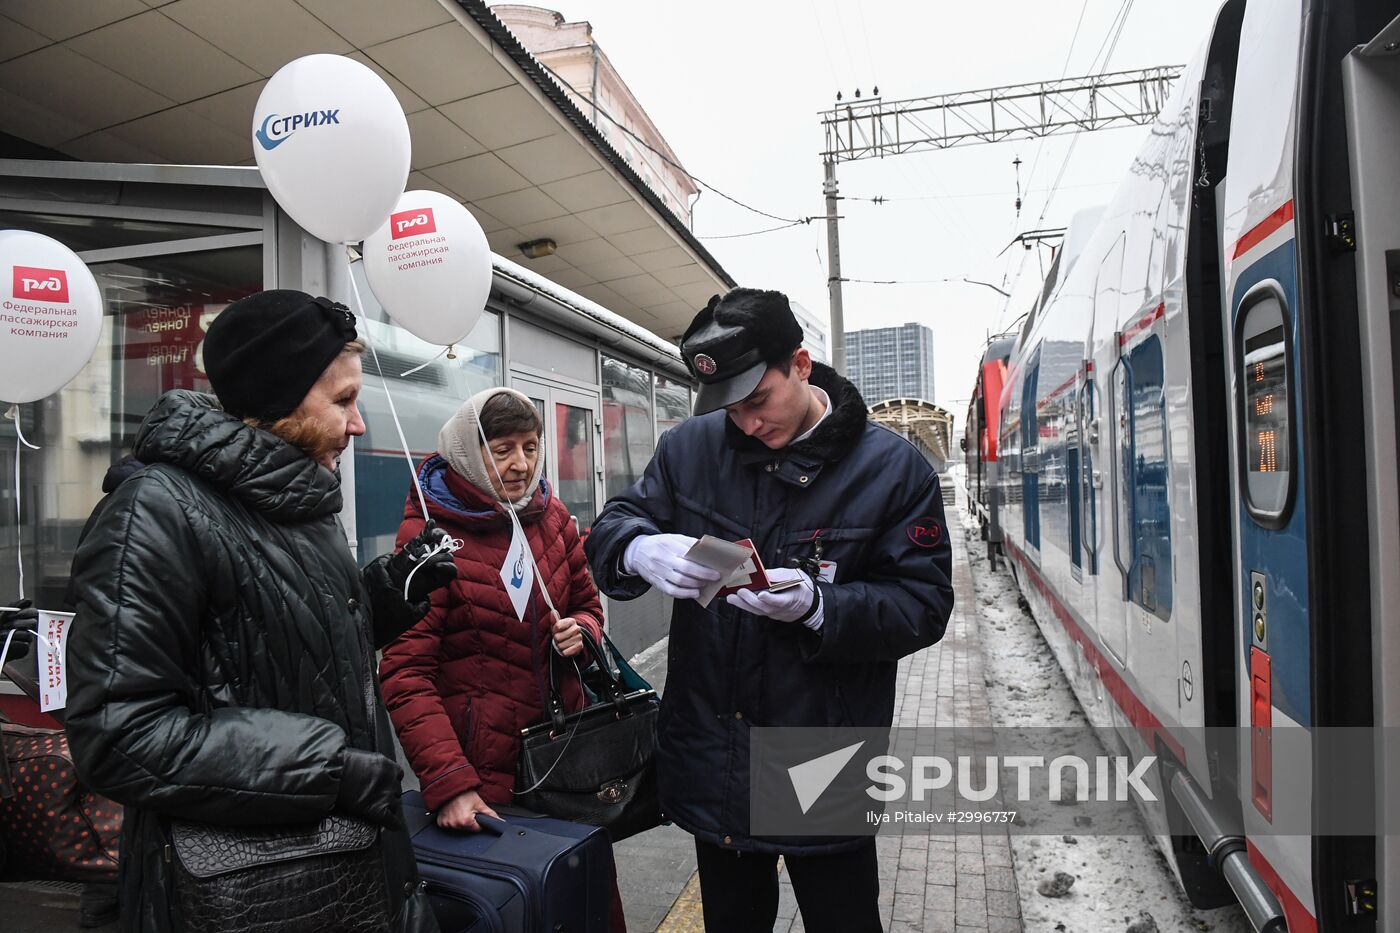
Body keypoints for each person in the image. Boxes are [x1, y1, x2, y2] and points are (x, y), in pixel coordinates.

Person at [64, 289, 457, 933]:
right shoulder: (154, 512)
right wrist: (327, 770)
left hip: (345, 867)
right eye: (343, 401)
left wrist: (389, 593)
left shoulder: (294, 498)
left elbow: (278, 647)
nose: (358, 425)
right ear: (279, 401)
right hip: (240, 894)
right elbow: (120, 736)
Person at [583, 288, 955, 933]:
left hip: (821, 751)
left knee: (842, 918)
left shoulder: (892, 471)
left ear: (801, 365)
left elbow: (923, 604)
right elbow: (615, 523)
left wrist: (820, 608)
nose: (747, 423)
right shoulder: (689, 450)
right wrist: (638, 547)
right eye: (729, 407)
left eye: (758, 400)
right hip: (713, 744)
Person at [379, 387, 628, 932]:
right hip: (485, 776)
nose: (521, 465)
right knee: (517, 907)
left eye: (531, 447)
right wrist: (448, 781)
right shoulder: (429, 537)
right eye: (503, 449)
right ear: (470, 451)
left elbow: (588, 603)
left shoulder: (552, 516)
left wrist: (581, 630)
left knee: (582, 898)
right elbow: (405, 670)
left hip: (565, 760)